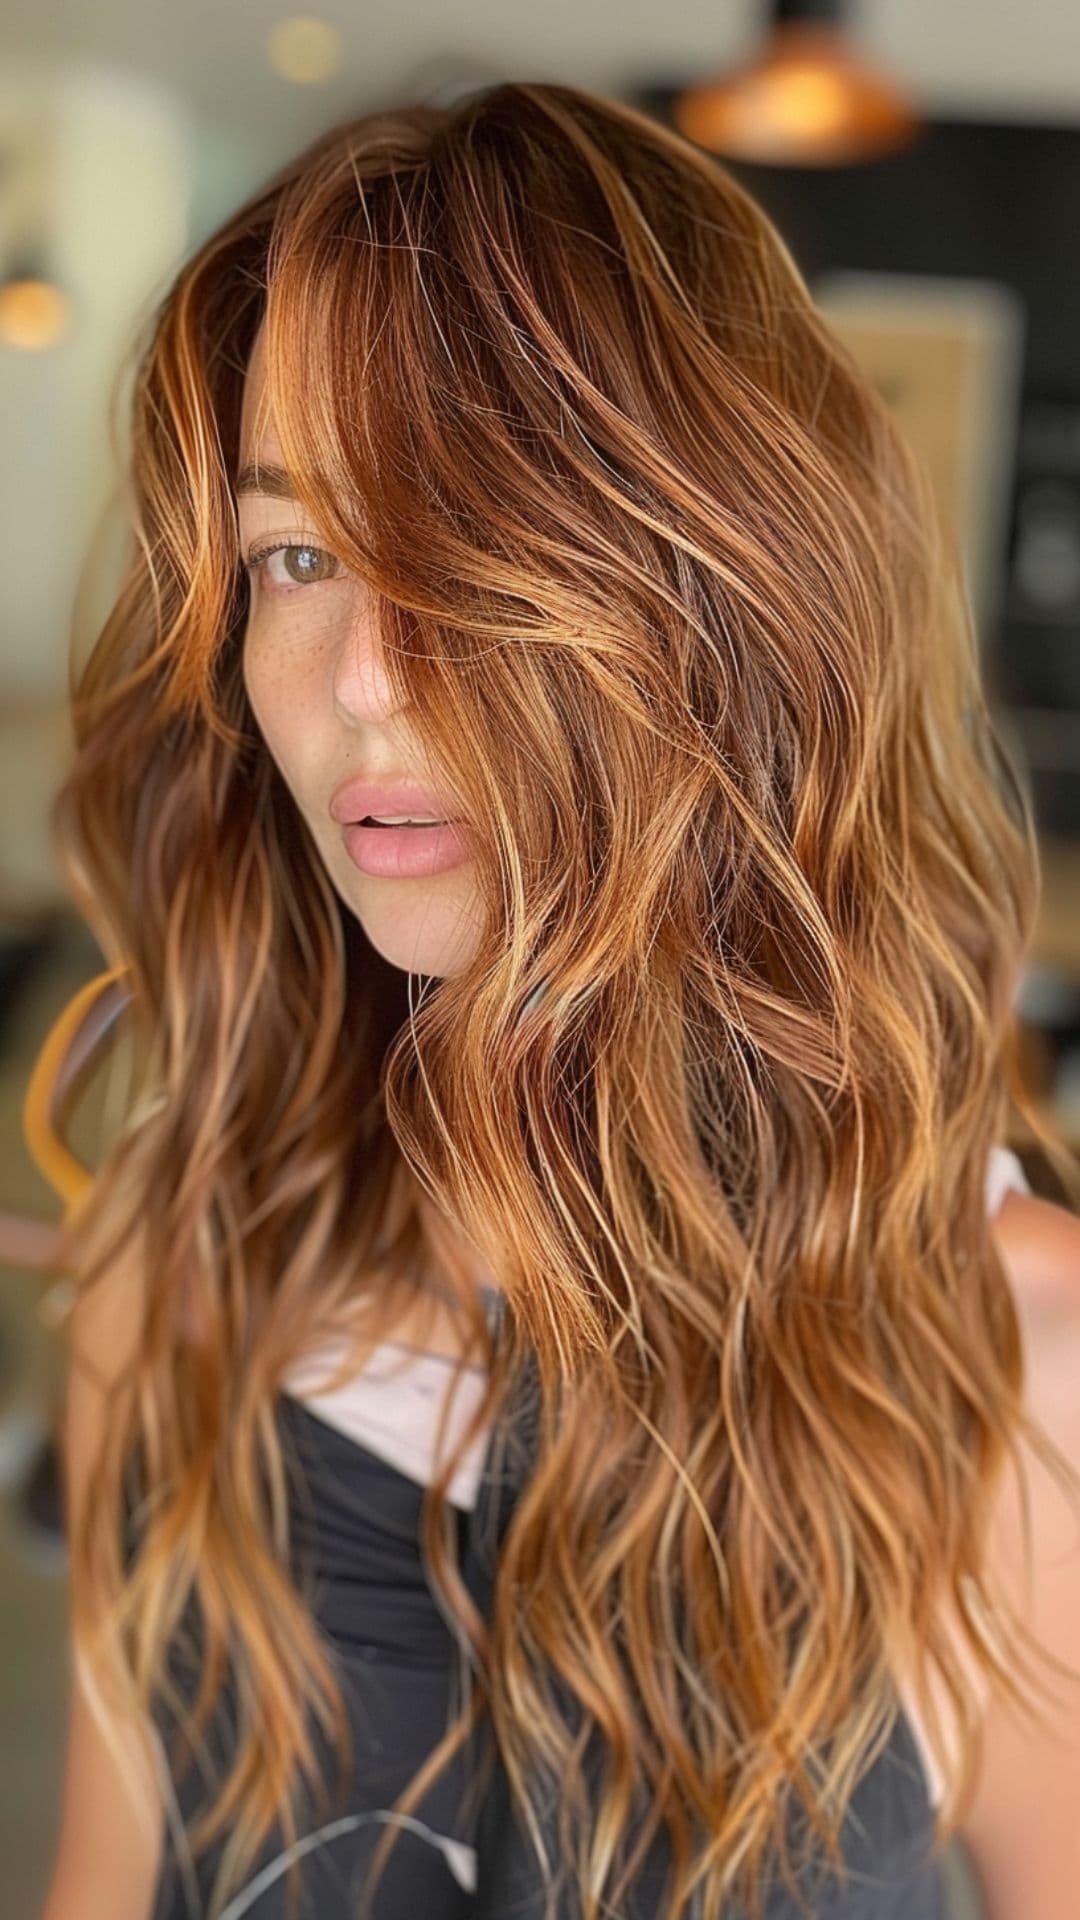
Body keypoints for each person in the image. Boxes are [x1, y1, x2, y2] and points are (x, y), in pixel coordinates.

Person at [27, 78, 1080, 1920]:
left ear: (713, 596)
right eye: (297, 554)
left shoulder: (1019, 1380)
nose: (360, 677)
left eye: (463, 542)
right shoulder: (180, 1270)